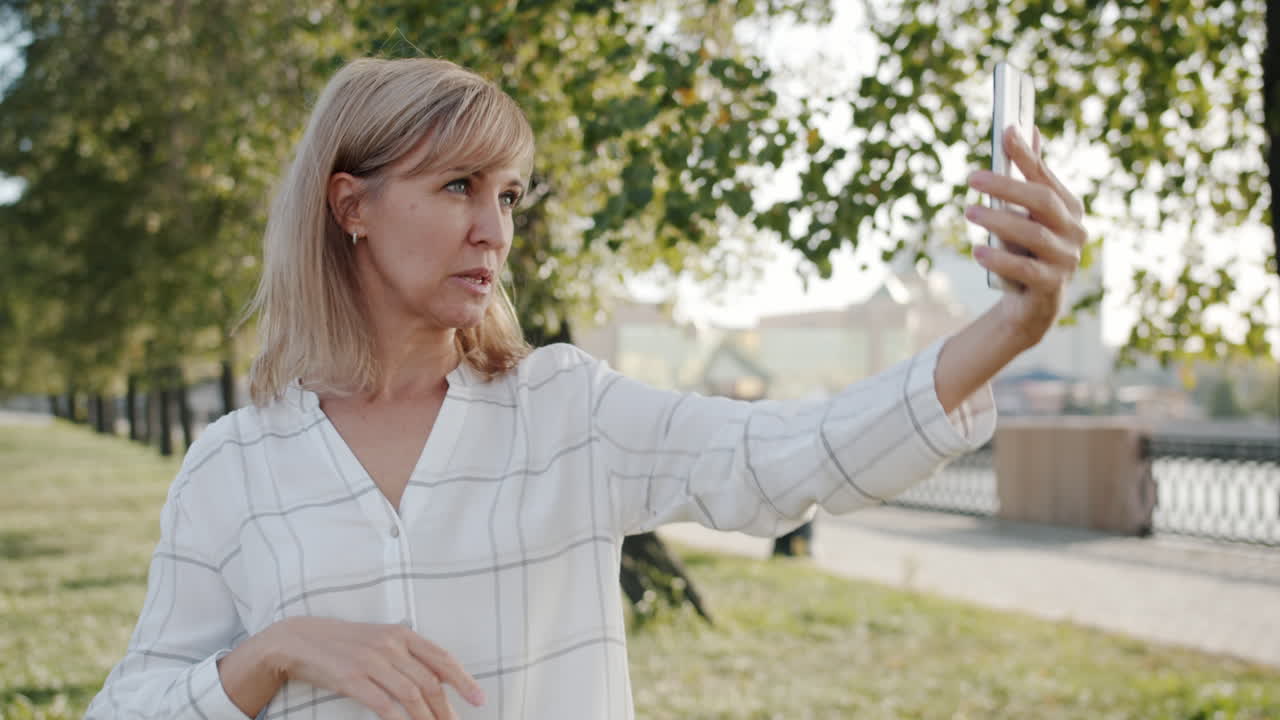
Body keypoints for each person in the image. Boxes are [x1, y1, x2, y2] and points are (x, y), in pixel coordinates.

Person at [85, 56, 1086, 720]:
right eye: (456, 188)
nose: (495, 230)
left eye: (507, 194)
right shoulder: (233, 464)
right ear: (351, 206)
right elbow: (130, 706)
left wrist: (1009, 326)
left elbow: (783, 457)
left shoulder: (568, 410)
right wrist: (274, 652)